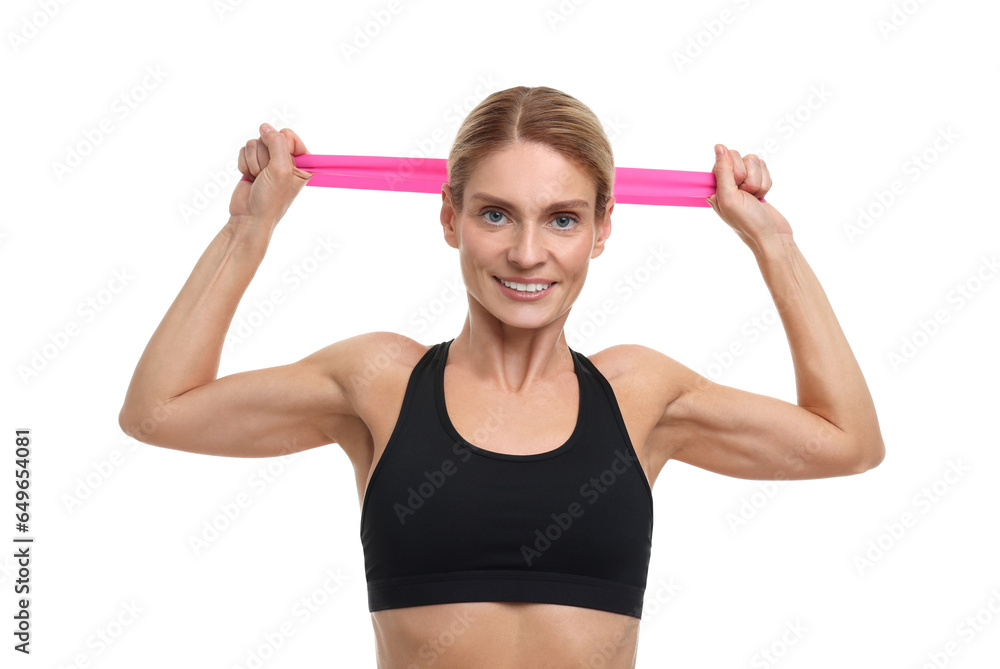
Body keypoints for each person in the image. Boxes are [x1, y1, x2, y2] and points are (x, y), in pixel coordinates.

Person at [118, 86, 885, 669]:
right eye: (494, 215)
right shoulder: (382, 381)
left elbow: (848, 441)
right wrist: (249, 230)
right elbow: (158, 411)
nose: (526, 252)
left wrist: (773, 246)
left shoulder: (637, 392)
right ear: (448, 217)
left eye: (561, 218)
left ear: (602, 230)